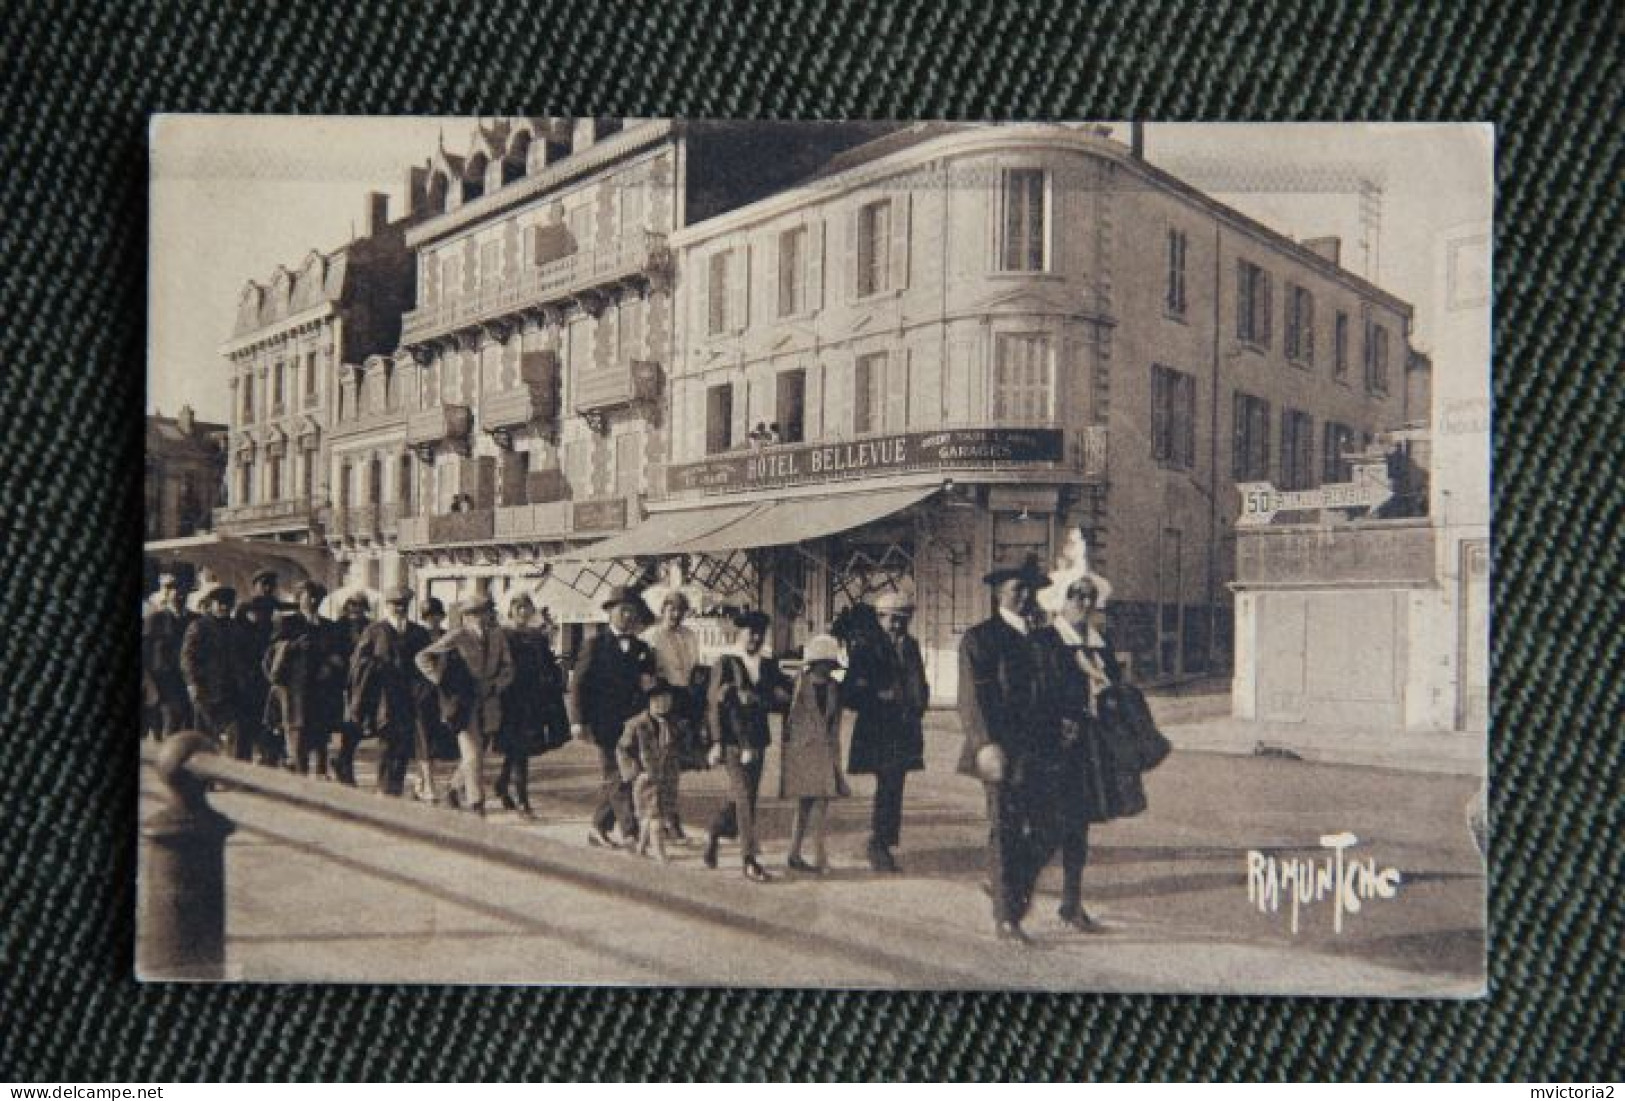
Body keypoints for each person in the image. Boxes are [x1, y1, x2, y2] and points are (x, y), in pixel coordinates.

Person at [957, 554, 1050, 944]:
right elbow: (972, 699)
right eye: (1018, 588)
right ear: (999, 592)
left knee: (1048, 826)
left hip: (1040, 749)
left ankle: (1001, 882)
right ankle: (1006, 916)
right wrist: (985, 744)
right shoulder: (982, 638)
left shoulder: (1042, 638)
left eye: (1030, 588)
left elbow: (1050, 690)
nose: (1026, 596)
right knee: (1005, 828)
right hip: (1000, 749)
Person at [1029, 572, 1122, 934]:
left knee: (1077, 830)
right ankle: (1012, 888)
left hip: (1088, 749)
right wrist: (1057, 722)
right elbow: (1032, 694)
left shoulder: (1100, 645)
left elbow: (1115, 687)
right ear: (1059, 599)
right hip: (1052, 748)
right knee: (1046, 826)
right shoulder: (1045, 642)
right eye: (1076, 596)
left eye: (1089, 596)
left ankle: (1071, 904)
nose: (1084, 603)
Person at [843, 591, 930, 873]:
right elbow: (850, 692)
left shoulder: (912, 646)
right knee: (888, 786)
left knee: (894, 787)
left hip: (904, 728)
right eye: (894, 619)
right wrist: (878, 694)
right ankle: (879, 845)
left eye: (904, 620)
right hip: (878, 730)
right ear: (881, 618)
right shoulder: (866, 648)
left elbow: (919, 681)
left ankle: (883, 843)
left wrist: (920, 701)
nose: (898, 625)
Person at [704, 609, 790, 883]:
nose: (754, 637)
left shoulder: (768, 665)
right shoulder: (726, 663)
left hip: (758, 740)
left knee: (747, 797)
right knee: (743, 795)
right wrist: (716, 741)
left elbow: (781, 698)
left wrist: (772, 697)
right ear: (738, 633)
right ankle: (749, 859)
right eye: (749, 632)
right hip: (731, 741)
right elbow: (713, 706)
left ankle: (716, 831)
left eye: (759, 632)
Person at [569, 585, 657, 847]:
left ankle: (599, 826)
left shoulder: (642, 648)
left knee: (623, 775)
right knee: (617, 775)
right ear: (610, 612)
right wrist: (577, 721)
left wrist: (648, 684)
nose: (628, 616)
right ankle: (629, 831)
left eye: (632, 611)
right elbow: (578, 685)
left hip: (632, 723)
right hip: (603, 722)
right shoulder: (594, 645)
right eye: (623, 610)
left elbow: (647, 682)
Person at [415, 593, 513, 814]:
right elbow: (422, 657)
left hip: (489, 701)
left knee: (481, 750)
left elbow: (508, 667)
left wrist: (497, 685)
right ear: (466, 617)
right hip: (464, 702)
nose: (480, 618)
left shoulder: (498, 637)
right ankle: (476, 803)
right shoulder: (457, 636)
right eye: (474, 614)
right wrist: (441, 680)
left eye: (484, 612)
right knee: (471, 753)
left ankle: (453, 787)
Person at [347, 586, 434, 797]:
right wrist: (376, 666)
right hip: (384, 698)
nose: (399, 609)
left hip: (410, 699)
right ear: (387, 606)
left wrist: (423, 689)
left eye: (404, 605)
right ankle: (384, 789)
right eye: (395, 604)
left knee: (403, 747)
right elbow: (358, 664)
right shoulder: (375, 631)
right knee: (387, 745)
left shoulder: (419, 633)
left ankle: (394, 789)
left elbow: (428, 662)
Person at [494, 592, 571, 818]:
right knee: (518, 749)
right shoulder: (503, 635)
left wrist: (557, 677)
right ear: (510, 611)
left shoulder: (538, 636)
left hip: (533, 699)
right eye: (518, 608)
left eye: (526, 608)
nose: (523, 612)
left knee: (519, 749)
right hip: (510, 698)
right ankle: (522, 801)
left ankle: (502, 786)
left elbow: (546, 665)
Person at [779, 634, 848, 874]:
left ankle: (817, 855)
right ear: (815, 663)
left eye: (830, 664)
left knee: (820, 805)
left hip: (824, 750)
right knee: (804, 804)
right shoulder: (798, 684)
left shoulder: (834, 689)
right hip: (802, 751)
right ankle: (796, 852)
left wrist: (836, 757)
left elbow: (835, 724)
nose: (828, 669)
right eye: (824, 664)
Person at [269, 581, 349, 779]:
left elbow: (340, 654)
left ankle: (321, 777)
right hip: (296, 692)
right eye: (308, 596)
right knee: (298, 737)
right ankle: (300, 779)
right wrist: (294, 646)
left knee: (321, 738)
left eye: (318, 597)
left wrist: (331, 665)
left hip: (322, 693)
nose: (313, 601)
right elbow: (273, 653)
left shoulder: (329, 626)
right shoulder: (288, 623)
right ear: (299, 598)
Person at [641, 589, 704, 836]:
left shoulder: (689, 636)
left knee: (674, 763)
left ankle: (669, 814)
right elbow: (646, 671)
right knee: (659, 762)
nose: (676, 614)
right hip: (659, 700)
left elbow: (693, 667)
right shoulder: (652, 636)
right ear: (662, 610)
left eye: (680, 610)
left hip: (683, 700)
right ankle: (659, 816)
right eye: (671, 609)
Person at [616, 679, 688, 862]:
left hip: (668, 778)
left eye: (666, 700)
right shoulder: (637, 725)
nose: (662, 704)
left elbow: (680, 748)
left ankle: (641, 847)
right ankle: (660, 853)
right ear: (649, 702)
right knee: (655, 816)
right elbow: (623, 750)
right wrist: (635, 772)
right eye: (657, 700)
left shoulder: (675, 724)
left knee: (652, 815)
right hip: (646, 780)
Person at [180, 584, 249, 757]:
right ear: (212, 604)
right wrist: (192, 684)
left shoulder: (236, 629)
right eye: (220, 603)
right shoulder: (199, 626)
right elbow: (187, 658)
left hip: (232, 692)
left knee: (236, 733)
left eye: (228, 603)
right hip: (206, 691)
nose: (224, 607)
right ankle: (205, 778)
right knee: (204, 739)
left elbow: (243, 657)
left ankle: (232, 775)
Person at [233, 570, 281, 765]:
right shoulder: (245, 608)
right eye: (263, 584)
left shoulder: (277, 607)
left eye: (271, 584)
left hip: (269, 673)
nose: (268, 588)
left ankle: (268, 761)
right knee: (246, 721)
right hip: (249, 672)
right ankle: (241, 763)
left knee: (270, 720)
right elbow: (237, 639)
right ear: (255, 586)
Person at [410, 596, 452, 802]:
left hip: (442, 695)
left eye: (436, 616)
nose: (433, 620)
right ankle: (429, 785)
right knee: (423, 739)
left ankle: (420, 782)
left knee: (434, 740)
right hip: (420, 694)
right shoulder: (416, 636)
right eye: (429, 616)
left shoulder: (447, 636)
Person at [141, 574, 193, 738]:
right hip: (162, 686)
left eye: (183, 591)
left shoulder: (195, 620)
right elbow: (144, 655)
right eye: (175, 590)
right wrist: (148, 683)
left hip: (187, 684)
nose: (180, 595)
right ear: (168, 593)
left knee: (187, 729)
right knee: (167, 729)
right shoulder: (155, 619)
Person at [330, 593, 373, 785]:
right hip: (342, 681)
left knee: (358, 725)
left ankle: (342, 761)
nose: (356, 610)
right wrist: (340, 661)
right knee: (347, 723)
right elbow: (331, 650)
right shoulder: (338, 627)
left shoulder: (370, 627)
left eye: (360, 606)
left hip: (364, 681)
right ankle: (343, 764)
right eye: (352, 606)